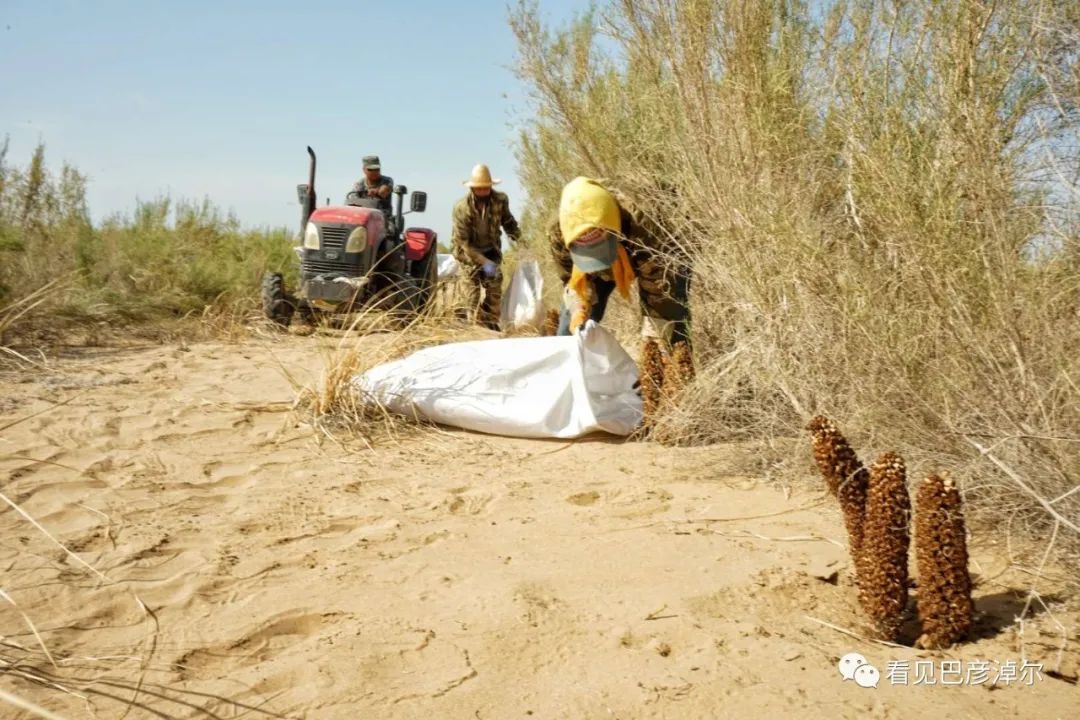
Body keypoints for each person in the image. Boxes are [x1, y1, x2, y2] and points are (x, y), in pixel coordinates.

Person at [548, 176, 692, 349]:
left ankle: (678, 371)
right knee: (571, 328)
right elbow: (570, 280)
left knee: (668, 328)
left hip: (656, 252)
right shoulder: (559, 233)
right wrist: (579, 307)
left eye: (600, 250)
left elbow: (660, 291)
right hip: (611, 253)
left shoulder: (648, 219)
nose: (599, 263)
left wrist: (653, 341)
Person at [450, 164, 522, 330]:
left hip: (490, 252)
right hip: (468, 256)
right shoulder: (462, 208)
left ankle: (488, 320)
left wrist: (520, 240)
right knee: (471, 292)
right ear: (473, 188)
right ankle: (468, 322)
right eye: (479, 188)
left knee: (494, 284)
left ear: (490, 186)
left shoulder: (500, 200)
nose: (482, 192)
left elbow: (508, 222)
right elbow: (464, 243)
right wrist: (483, 262)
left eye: (486, 188)